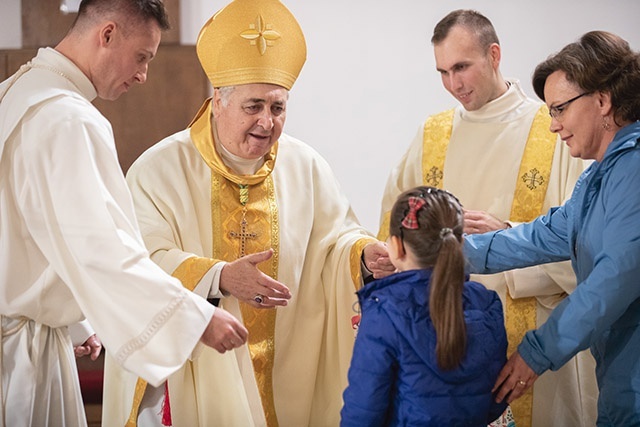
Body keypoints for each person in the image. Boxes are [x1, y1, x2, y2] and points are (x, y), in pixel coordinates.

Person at [101, 0, 392, 425]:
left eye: (278, 108)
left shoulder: (305, 165)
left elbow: (334, 239)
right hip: (197, 370)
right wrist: (219, 277)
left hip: (289, 367)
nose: (267, 122)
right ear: (218, 101)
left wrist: (362, 256)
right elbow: (135, 263)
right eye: (253, 106)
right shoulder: (159, 169)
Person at [0, 1, 250, 426]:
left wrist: (74, 319)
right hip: (23, 361)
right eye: (142, 57)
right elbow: (101, 248)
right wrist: (195, 318)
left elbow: (31, 232)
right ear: (108, 34)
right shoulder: (68, 118)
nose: (143, 75)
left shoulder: (15, 92)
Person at [376, 9, 597, 426]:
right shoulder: (432, 134)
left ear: (494, 55)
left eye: (462, 67)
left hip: (534, 342)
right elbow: (393, 222)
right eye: (443, 71)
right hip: (447, 347)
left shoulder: (553, 128)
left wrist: (509, 239)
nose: (453, 84)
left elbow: (592, 244)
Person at [465, 30, 640, 426]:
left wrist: (535, 353)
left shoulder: (634, 169)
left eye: (559, 108)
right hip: (621, 381)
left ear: (602, 99)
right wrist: (448, 252)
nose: (553, 125)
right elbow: (540, 237)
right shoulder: (597, 178)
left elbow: (613, 280)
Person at [341, 186, 508, 426]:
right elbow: (495, 400)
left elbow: (364, 408)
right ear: (459, 242)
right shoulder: (486, 302)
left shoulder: (384, 310)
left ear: (396, 247)